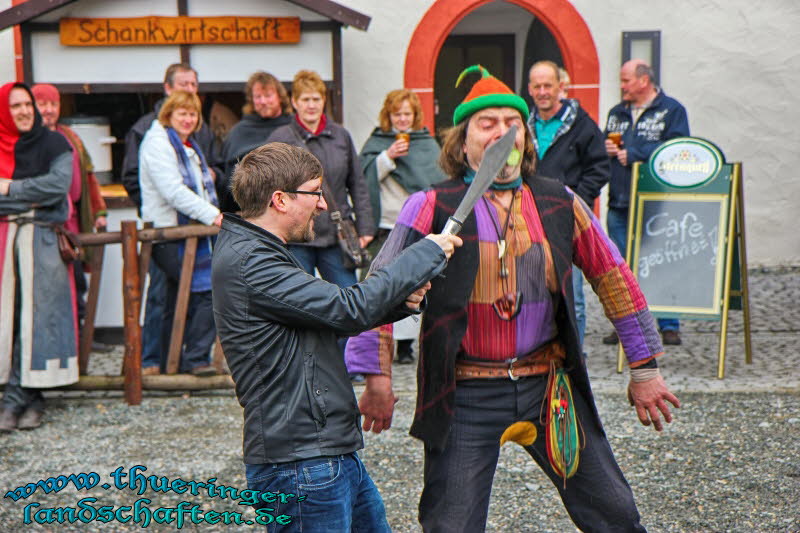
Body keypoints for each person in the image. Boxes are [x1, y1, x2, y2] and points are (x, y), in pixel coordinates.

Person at [345, 66, 681, 532]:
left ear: (526, 136)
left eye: (512, 122)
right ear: (463, 143)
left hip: (550, 388)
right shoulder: (430, 206)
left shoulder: (560, 202)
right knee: (451, 525)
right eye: (487, 124)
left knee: (616, 514)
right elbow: (380, 287)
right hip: (465, 392)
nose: (502, 132)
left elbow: (614, 278)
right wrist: (376, 377)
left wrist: (645, 368)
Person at [211, 142, 461, 532]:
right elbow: (349, 308)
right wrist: (424, 251)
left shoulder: (260, 250)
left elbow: (326, 316)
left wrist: (400, 304)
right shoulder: (251, 261)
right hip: (300, 465)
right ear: (280, 199)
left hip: (325, 454)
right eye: (315, 192)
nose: (324, 205)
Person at [267, 70, 374, 380]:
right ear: (294, 103)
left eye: (316, 99)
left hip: (335, 236)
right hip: (296, 236)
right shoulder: (280, 139)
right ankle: (301, 367)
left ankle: (345, 366)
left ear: (323, 101)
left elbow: (358, 183)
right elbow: (269, 189)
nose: (311, 105)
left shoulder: (341, 136)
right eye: (305, 100)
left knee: (347, 300)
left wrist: (365, 227)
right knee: (297, 304)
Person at [121, 63, 222, 375]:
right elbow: (172, 191)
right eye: (182, 113)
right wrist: (214, 216)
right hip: (166, 231)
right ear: (168, 114)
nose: (188, 119)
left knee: (189, 295)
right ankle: (163, 362)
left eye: (192, 114)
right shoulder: (157, 142)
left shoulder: (187, 146)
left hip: (186, 231)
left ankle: (176, 361)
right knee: (183, 296)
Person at [0, 82, 76, 432]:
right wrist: (32, 196)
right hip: (6, 241)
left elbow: (57, 187)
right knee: (12, 320)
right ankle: (29, 400)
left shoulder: (55, 143)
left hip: (42, 241)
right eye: (15, 106)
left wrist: (10, 187)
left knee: (38, 320)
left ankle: (16, 400)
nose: (24, 111)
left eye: (27, 103)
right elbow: (41, 191)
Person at [603, 59, 690, 346]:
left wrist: (638, 153)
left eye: (626, 80)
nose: (622, 86)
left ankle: (668, 324)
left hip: (657, 202)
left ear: (644, 80)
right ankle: (628, 325)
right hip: (620, 201)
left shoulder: (671, 110)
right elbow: (611, 143)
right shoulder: (617, 112)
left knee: (662, 261)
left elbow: (678, 149)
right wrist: (608, 147)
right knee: (621, 268)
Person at [358, 89, 445, 364]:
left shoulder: (426, 143)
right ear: (389, 115)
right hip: (385, 224)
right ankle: (373, 346)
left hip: (416, 225)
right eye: (398, 114)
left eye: (407, 114)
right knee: (377, 283)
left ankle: (406, 345)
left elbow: (436, 179)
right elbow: (364, 177)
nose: (403, 119)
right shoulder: (378, 141)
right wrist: (387, 157)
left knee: (414, 283)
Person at [526, 61, 610, 347]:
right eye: (536, 86)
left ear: (561, 87)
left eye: (547, 85)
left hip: (566, 222)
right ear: (529, 90)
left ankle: (575, 359)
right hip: (528, 220)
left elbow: (599, 168)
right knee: (531, 289)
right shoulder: (523, 125)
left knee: (570, 293)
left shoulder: (581, 124)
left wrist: (575, 201)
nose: (542, 92)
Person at [31, 83, 108, 339]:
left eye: (53, 104)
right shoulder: (28, 141)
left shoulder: (70, 137)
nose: (49, 110)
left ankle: (80, 342)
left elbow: (88, 179)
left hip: (73, 225)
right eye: (43, 104)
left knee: (76, 282)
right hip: (43, 226)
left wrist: (99, 212)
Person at [219, 71, 292, 212]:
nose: (263, 101)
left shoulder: (293, 129)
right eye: (258, 97)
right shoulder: (238, 132)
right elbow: (227, 179)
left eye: (268, 96)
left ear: (280, 97)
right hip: (248, 211)